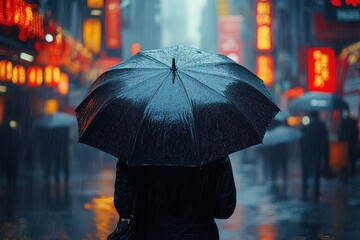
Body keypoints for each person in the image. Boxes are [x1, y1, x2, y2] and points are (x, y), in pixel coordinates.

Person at [108, 156, 236, 240]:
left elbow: (124, 207)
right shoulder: (215, 152)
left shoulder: (136, 151)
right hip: (200, 235)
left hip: (149, 234)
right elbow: (225, 209)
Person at [300, 111, 329, 202]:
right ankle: (316, 190)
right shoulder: (322, 126)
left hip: (308, 152)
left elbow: (302, 139)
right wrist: (326, 155)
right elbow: (325, 141)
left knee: (306, 171)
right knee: (317, 172)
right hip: (318, 152)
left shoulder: (308, 127)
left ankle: (305, 188)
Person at [338, 111, 359, 176]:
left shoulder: (344, 122)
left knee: (345, 157)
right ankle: (351, 171)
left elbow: (340, 132)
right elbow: (355, 132)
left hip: (345, 142)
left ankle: (344, 171)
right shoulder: (353, 122)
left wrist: (341, 140)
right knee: (351, 157)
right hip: (351, 142)